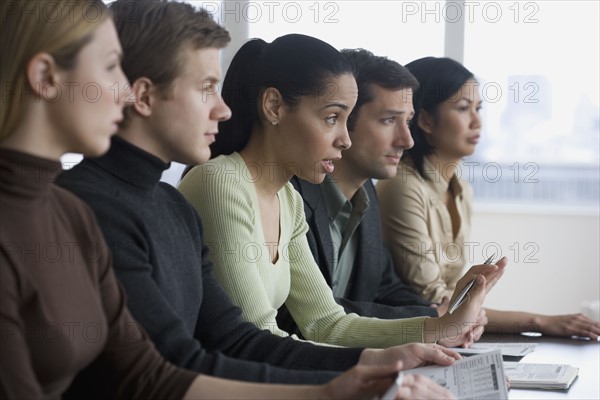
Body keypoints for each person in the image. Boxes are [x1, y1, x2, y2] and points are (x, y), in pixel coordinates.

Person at [53, 1, 459, 398]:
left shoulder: (173, 207)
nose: (224, 109)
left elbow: (236, 339)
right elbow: (172, 367)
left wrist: (369, 365)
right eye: (206, 88)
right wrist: (332, 387)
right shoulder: (95, 207)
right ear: (142, 96)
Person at [179, 34, 506, 349]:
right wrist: (376, 366)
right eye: (331, 117)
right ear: (274, 106)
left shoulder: (287, 199)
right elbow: (254, 340)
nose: (344, 140)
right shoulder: (219, 182)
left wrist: (440, 327)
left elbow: (326, 322)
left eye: (346, 119)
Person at [376, 56, 600, 340]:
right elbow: (432, 301)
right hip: (411, 336)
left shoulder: (459, 188)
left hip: (442, 333)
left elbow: (453, 301)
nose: (477, 121)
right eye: (462, 109)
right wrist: (538, 321)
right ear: (425, 120)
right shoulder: (403, 187)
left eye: (479, 108)